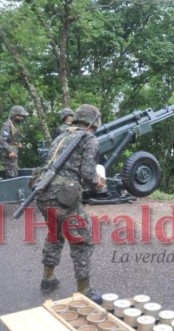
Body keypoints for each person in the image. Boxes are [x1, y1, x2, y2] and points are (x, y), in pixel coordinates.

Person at [35, 104, 106, 304]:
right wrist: (98, 184)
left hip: (43, 194)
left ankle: (48, 277)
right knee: (81, 240)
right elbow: (88, 173)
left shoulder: (61, 136)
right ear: (94, 123)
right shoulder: (89, 139)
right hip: (63, 197)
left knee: (54, 235)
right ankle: (84, 290)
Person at [0, 105, 28, 178]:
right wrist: (10, 151)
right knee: (11, 176)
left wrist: (18, 143)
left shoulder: (15, 125)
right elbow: (2, 140)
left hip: (14, 154)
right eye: (21, 116)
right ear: (15, 115)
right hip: (9, 155)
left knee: (15, 173)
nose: (22, 118)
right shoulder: (7, 125)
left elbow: (12, 138)